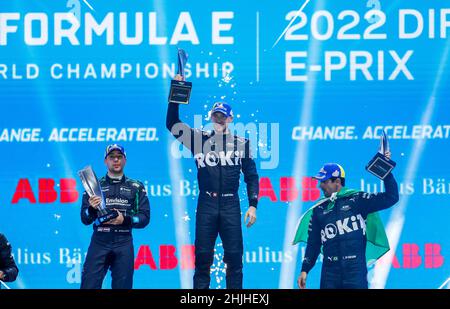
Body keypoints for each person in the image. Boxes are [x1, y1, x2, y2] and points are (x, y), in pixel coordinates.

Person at [166, 74, 259, 289]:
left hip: (230, 204)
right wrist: (176, 91)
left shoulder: (242, 143)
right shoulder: (199, 140)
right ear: (211, 117)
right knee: (203, 260)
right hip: (206, 203)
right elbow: (171, 123)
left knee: (235, 259)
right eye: (215, 116)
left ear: (230, 119)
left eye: (222, 117)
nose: (218, 120)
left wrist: (253, 205)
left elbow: (252, 176)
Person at [295, 153, 399, 289]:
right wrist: (305, 269)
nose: (320, 186)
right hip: (330, 273)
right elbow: (313, 243)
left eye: (324, 181)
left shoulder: (358, 199)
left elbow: (391, 197)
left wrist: (386, 170)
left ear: (337, 182)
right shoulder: (318, 209)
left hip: (355, 271)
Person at [80, 144, 150, 289]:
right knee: (88, 286)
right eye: (112, 157)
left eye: (119, 157)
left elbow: (144, 218)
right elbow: (85, 218)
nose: (116, 160)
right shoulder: (94, 185)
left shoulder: (136, 186)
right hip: (100, 241)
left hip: (123, 242)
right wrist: (92, 209)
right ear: (106, 161)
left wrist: (125, 220)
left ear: (125, 160)